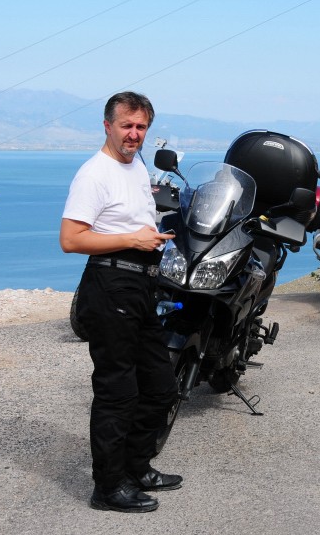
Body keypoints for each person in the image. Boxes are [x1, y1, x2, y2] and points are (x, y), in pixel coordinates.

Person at [59, 91, 180, 513]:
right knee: (118, 392)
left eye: (141, 127)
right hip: (111, 284)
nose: (134, 134)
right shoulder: (95, 173)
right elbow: (71, 239)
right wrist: (132, 238)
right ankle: (108, 488)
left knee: (161, 385)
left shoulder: (136, 165)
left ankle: (136, 467)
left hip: (142, 285)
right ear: (107, 125)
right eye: (126, 125)